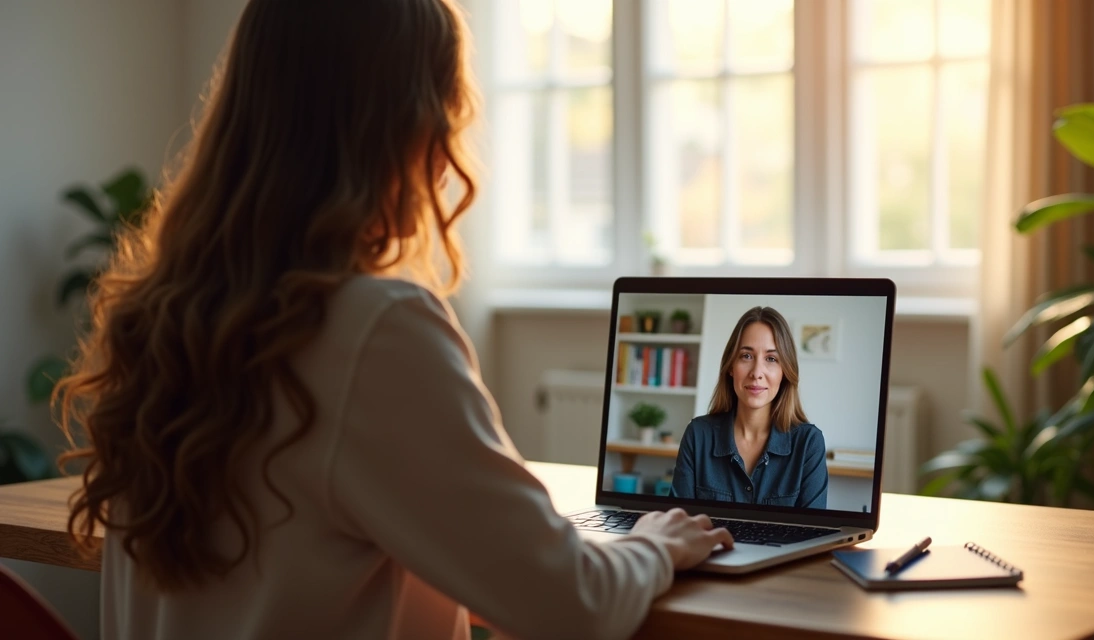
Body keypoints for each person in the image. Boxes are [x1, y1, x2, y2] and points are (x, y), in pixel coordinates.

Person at [52, 1, 732, 638]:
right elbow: (570, 602)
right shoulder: (372, 329)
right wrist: (654, 545)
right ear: (412, 126)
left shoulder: (164, 318)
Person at [670, 307, 828, 508]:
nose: (756, 373)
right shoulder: (698, 434)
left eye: (771, 359)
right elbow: (678, 526)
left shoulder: (808, 443)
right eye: (746, 356)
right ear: (730, 367)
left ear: (785, 372)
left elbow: (812, 534)